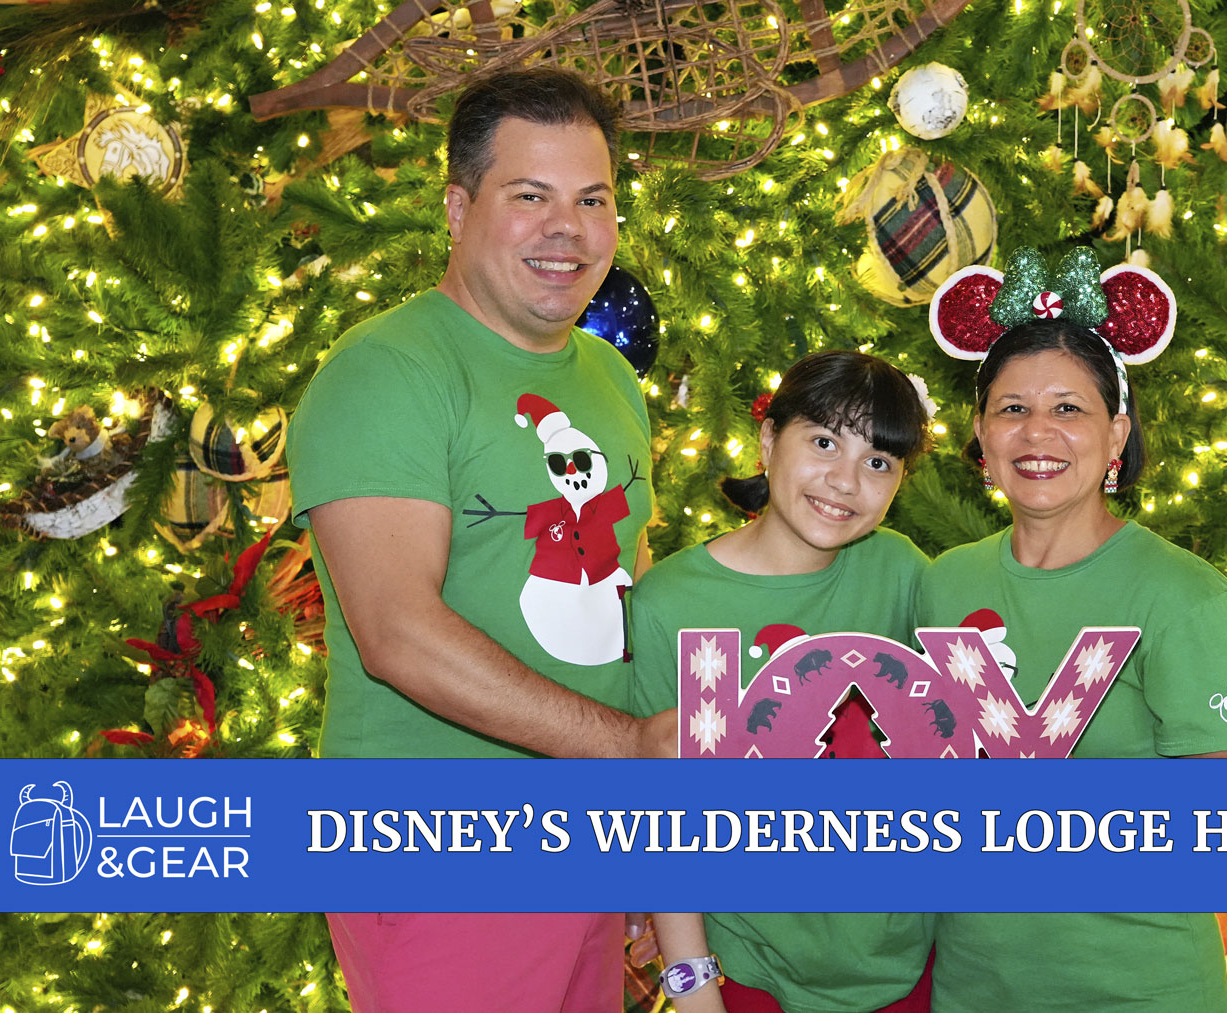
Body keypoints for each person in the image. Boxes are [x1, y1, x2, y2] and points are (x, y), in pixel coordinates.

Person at [287, 67, 675, 1011]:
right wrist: (627, 747)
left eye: (593, 199)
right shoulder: (387, 371)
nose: (568, 229)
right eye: (529, 196)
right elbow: (396, 633)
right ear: (459, 207)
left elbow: (627, 597)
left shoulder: (610, 379)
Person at [916, 250, 1227, 1011]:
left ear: (1116, 436)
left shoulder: (1184, 596)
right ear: (981, 435)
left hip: (1142, 990)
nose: (1037, 431)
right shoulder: (942, 584)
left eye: (1069, 408)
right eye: (1012, 409)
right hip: (975, 988)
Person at [628, 350, 936, 1013]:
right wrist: (695, 989)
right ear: (769, 439)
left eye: (877, 462)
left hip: (911, 962)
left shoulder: (903, 573)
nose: (845, 480)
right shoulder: (670, 603)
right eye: (824, 441)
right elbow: (659, 817)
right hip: (751, 971)